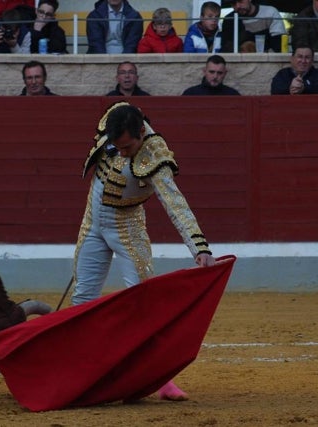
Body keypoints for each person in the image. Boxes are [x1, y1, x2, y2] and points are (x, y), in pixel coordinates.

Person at [71, 102, 215, 402]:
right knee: (82, 299)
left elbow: (177, 205)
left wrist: (199, 248)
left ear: (140, 133)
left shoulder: (155, 157)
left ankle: (160, 380)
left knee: (143, 305)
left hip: (127, 228)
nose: (121, 152)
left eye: (126, 147)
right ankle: (79, 372)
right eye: (116, 146)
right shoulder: (116, 116)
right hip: (92, 222)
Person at [221, 0, 286, 53]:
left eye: (240, 1)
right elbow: (226, 48)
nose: (238, 6)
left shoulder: (270, 12)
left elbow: (279, 44)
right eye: (233, 3)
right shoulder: (229, 19)